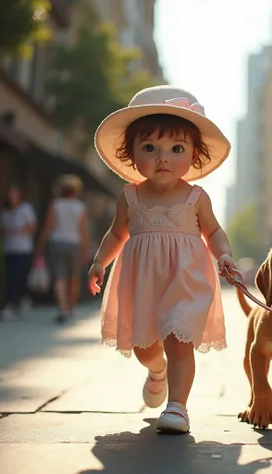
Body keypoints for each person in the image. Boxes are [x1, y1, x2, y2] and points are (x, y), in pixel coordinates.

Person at [88, 86, 236, 434]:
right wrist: (99, 262)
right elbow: (116, 234)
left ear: (194, 155)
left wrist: (225, 255)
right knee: (145, 348)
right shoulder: (129, 196)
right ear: (132, 153)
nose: (163, 157)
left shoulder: (196, 197)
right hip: (142, 283)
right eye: (150, 148)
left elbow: (213, 232)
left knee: (181, 341)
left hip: (186, 280)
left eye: (176, 149)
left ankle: (178, 407)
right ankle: (157, 371)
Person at [36, 174, 89, 323]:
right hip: (75, 244)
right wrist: (85, 250)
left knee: (59, 277)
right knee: (74, 278)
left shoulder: (56, 205)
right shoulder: (80, 207)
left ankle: (62, 308)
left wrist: (40, 246)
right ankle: (70, 308)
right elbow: (83, 231)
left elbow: (47, 228)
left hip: (57, 243)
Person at [0, 185, 37, 321]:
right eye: (10, 194)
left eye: (14, 194)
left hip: (23, 249)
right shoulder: (5, 212)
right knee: (10, 277)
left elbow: (32, 227)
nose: (12, 197)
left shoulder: (25, 209)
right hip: (9, 249)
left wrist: (18, 231)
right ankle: (10, 305)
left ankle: (23, 298)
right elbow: (2, 230)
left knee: (20, 276)